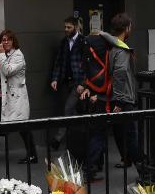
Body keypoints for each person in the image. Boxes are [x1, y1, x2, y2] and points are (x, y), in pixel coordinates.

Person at [85, 13, 138, 181]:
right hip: (118, 99)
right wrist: (120, 100)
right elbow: (121, 73)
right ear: (127, 28)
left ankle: (90, 169)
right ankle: (146, 172)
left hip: (104, 95)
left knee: (99, 133)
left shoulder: (108, 44)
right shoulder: (120, 48)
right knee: (130, 135)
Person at [0, 29, 38, 164]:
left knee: (22, 126)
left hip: (14, 98)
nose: (6, 42)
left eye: (8, 39)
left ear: (13, 41)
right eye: (3, 40)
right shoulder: (3, 55)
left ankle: (33, 155)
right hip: (1, 97)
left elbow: (8, 71)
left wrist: (1, 56)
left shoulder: (18, 56)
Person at [49, 17, 86, 150]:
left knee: (68, 108)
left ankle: (58, 139)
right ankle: (78, 140)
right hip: (66, 82)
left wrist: (83, 83)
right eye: (65, 27)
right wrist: (54, 79)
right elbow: (59, 62)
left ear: (75, 27)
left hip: (78, 83)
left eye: (69, 27)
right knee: (73, 112)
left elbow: (88, 65)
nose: (66, 29)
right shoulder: (64, 42)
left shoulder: (83, 41)